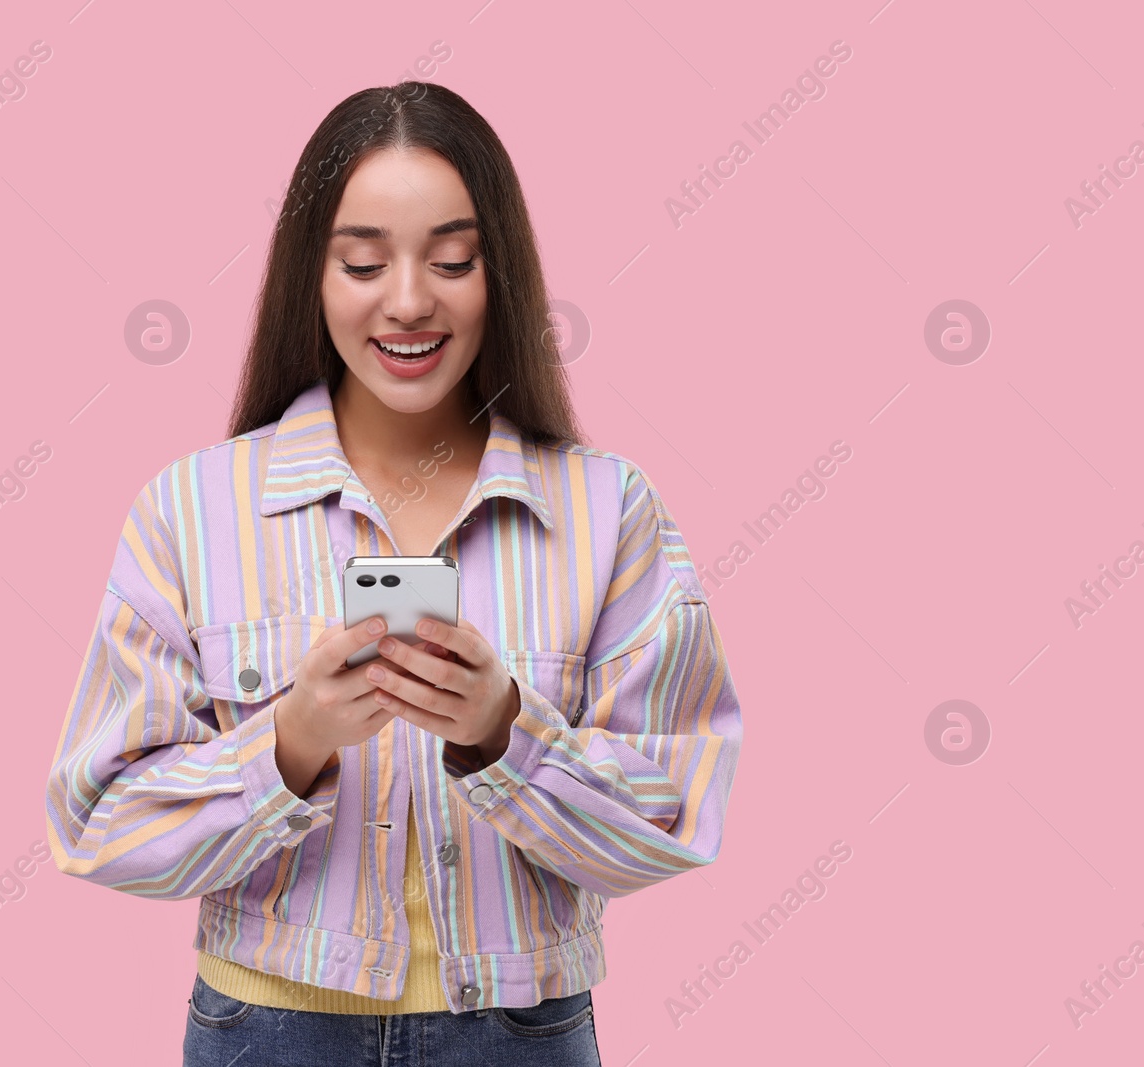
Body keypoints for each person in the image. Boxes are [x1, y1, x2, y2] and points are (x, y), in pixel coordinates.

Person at [44, 80, 744, 1067]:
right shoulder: (190, 510)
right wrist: (289, 742)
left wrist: (506, 733)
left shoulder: (606, 508)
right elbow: (97, 818)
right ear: (311, 276)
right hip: (268, 1031)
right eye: (364, 262)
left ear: (496, 270)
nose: (409, 299)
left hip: (523, 1033)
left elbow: (675, 809)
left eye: (451, 259)